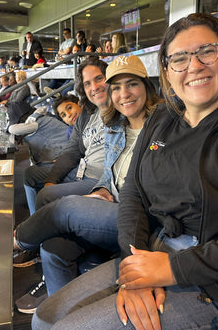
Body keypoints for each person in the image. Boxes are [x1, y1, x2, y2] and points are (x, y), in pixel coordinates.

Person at [32, 13, 218, 330]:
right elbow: (134, 194)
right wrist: (134, 266)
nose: (194, 66)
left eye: (207, 51)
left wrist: (173, 269)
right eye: (179, 58)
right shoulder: (162, 118)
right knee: (44, 319)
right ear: (166, 71)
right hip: (151, 253)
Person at [13, 55, 163, 313]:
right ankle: (58, 314)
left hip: (136, 216)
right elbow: (106, 171)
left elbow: (143, 189)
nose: (123, 94)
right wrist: (101, 191)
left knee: (64, 208)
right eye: (117, 87)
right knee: (53, 246)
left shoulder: (160, 126)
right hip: (109, 199)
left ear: (147, 87)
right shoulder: (118, 126)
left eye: (132, 85)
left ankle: (18, 241)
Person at [23, 57, 109, 215]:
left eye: (99, 79)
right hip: (81, 171)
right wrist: (51, 180)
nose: (95, 87)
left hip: (98, 179)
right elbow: (71, 152)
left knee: (46, 196)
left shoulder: (120, 108)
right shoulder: (87, 115)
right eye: (87, 83)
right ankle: (33, 223)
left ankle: (32, 235)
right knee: (30, 174)